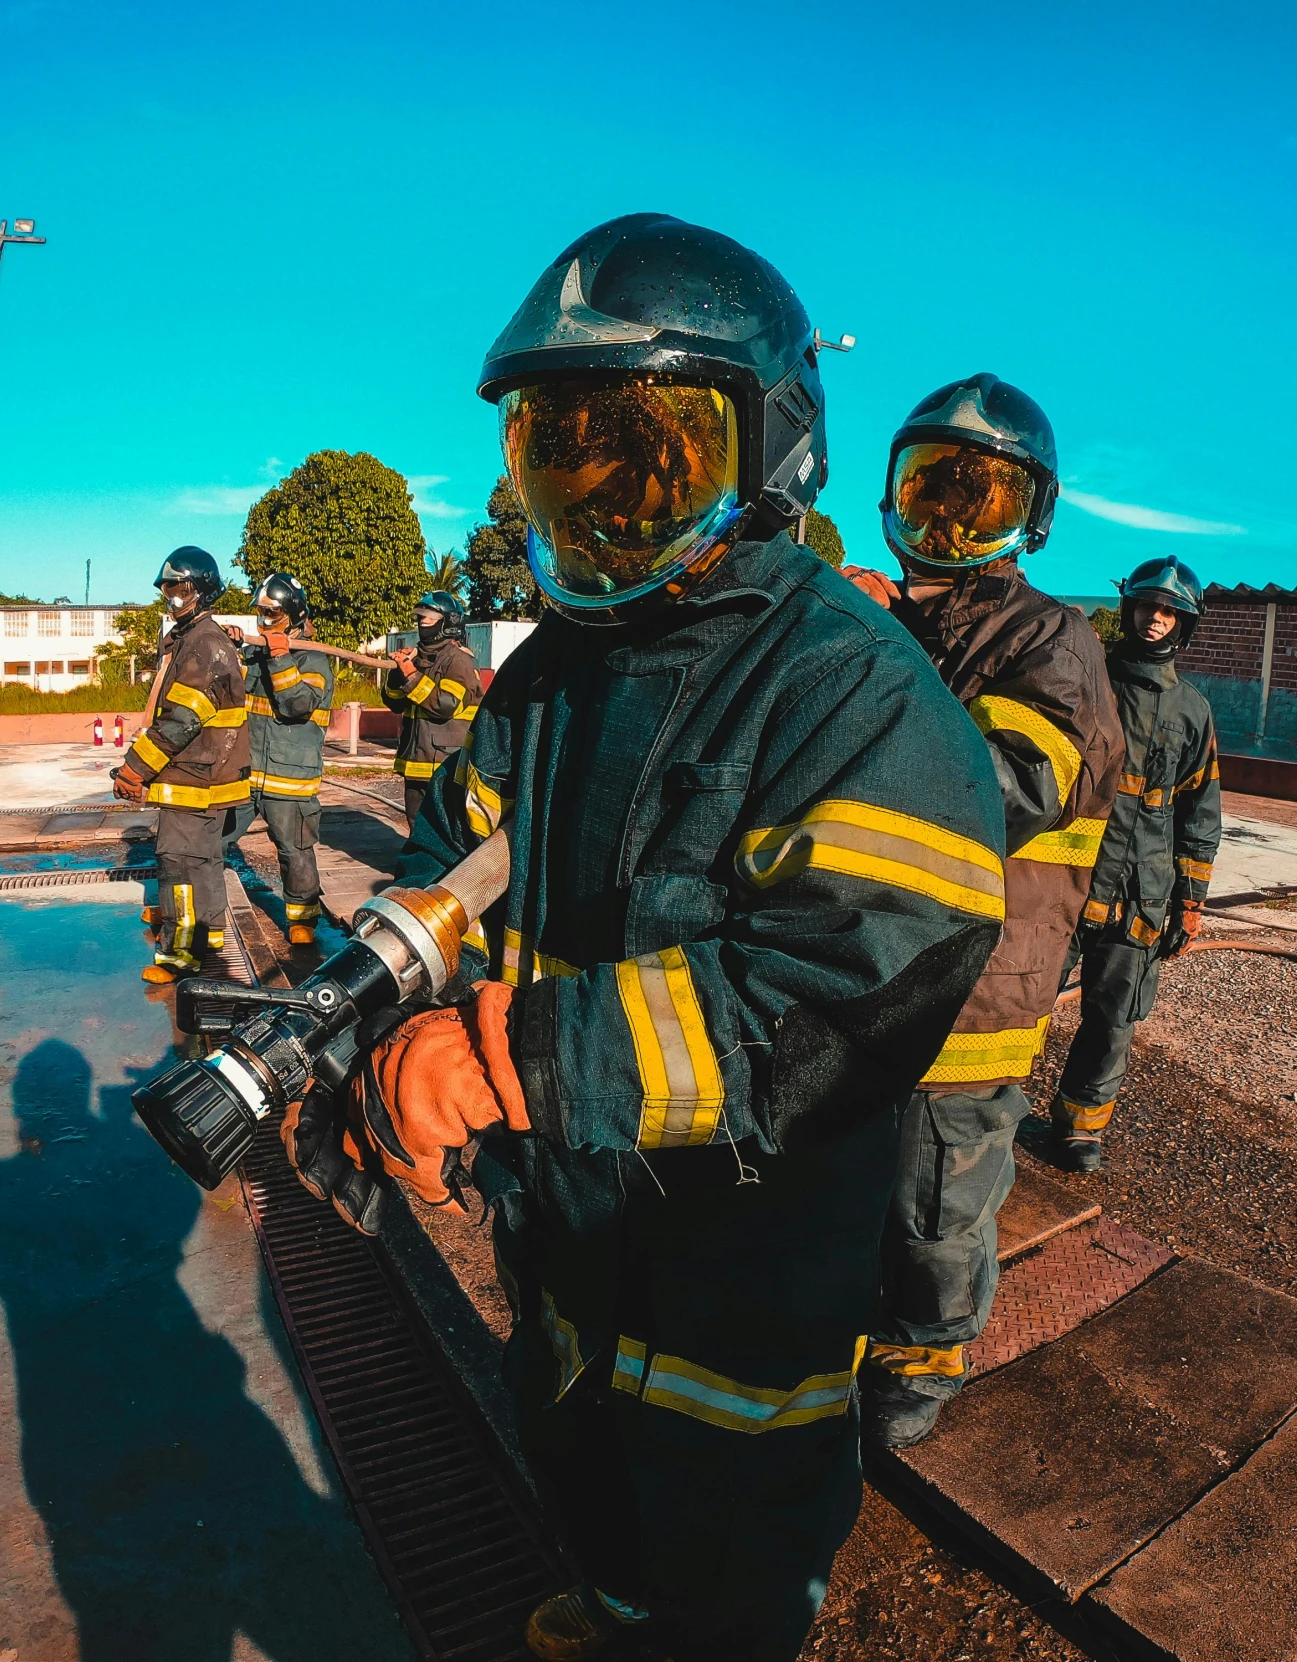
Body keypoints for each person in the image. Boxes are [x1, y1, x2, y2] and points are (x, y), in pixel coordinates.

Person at [284, 214, 1005, 1661]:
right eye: (564, 449)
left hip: (743, 1249)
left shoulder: (851, 691)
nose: (600, 496)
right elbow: (451, 852)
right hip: (567, 1215)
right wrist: (378, 1017)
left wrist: (504, 1062)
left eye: (648, 451)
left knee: (730, 1538)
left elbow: (843, 992)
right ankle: (612, 1594)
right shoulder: (552, 677)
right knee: (576, 1443)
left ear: (771, 450)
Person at [840, 375, 1121, 1450]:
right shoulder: (890, 615)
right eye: (930, 493)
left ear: (1030, 521)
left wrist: (879, 646)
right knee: (859, 1172)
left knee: (937, 1197)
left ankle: (929, 1348)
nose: (948, 525)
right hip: (872, 963)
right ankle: (866, 1323)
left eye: (982, 501)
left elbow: (993, 788)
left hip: (976, 986)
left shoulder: (1049, 640)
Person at [1050, 556, 1222, 1171]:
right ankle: (985, 1107)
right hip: (1067, 879)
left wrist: (1192, 901)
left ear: (1185, 623)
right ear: (1130, 608)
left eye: (1170, 611)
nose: (1155, 619)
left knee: (1114, 1016)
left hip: (1141, 894)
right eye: (1148, 605)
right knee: (1023, 995)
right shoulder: (1088, 679)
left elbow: (1200, 812)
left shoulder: (1192, 711)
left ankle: (1079, 1129)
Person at [112, 547, 251, 984]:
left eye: (179, 588)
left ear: (201, 591)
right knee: (205, 861)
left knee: (178, 868)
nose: (170, 596)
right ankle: (209, 935)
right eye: (167, 588)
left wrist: (135, 769)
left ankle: (178, 954)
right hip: (210, 775)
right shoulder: (197, 639)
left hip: (194, 778)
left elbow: (181, 722)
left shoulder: (205, 645)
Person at [232, 571, 334, 947]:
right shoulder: (256, 656)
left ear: (293, 615)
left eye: (272, 615)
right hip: (246, 772)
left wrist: (279, 656)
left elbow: (296, 706)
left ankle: (303, 919)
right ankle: (183, 907)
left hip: (289, 778)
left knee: (295, 851)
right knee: (212, 838)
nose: (263, 622)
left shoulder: (314, 660)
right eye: (260, 614)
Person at [381, 591, 478, 827]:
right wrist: (397, 673)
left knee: (444, 831)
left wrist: (412, 677)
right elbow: (394, 702)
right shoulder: (416, 658)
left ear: (449, 622)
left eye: (429, 618)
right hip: (416, 763)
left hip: (445, 765)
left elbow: (445, 705)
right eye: (421, 619)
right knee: (417, 828)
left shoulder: (457, 661)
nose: (422, 623)